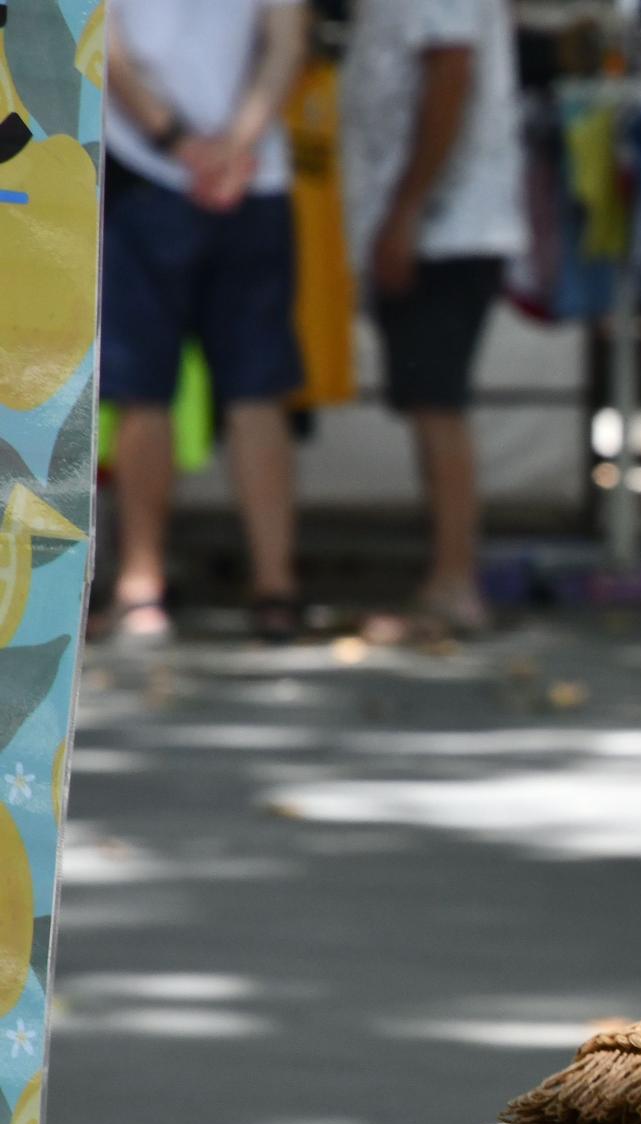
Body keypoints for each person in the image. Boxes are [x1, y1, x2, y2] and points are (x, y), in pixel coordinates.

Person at [103, 0, 310, 643]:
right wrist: (236, 144)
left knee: (145, 390)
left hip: (149, 167)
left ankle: (142, 589)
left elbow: (103, 47)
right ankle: (275, 586)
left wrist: (180, 144)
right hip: (248, 175)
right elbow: (287, 43)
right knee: (253, 390)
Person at [341, 0, 526, 635]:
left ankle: (455, 581)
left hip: (446, 226)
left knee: (438, 404)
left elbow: (452, 72)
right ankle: (447, 578)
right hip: (435, 221)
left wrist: (408, 209)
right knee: (430, 403)